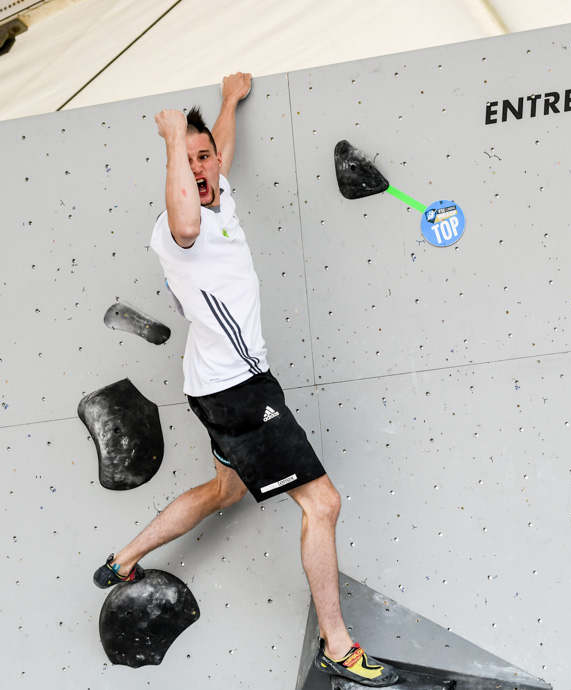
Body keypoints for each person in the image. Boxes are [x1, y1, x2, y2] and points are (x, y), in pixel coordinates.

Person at [92, 72, 398, 687]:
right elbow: (183, 208)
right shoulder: (183, 231)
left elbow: (218, 156)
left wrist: (227, 104)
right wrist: (174, 138)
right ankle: (337, 646)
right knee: (323, 502)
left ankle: (122, 561)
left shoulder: (217, 195)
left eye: (206, 158)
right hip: (239, 393)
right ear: (175, 165)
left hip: (214, 387)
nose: (204, 169)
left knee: (226, 492)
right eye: (191, 160)